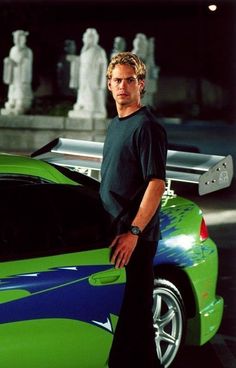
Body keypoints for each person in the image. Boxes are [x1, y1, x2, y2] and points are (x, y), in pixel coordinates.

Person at [99, 52, 167, 368]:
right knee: (125, 325)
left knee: (135, 324)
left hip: (135, 240)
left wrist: (134, 232)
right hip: (117, 235)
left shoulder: (146, 127)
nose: (122, 86)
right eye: (117, 80)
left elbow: (156, 183)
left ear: (141, 84)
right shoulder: (117, 125)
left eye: (129, 80)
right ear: (109, 85)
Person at [68, 28, 107, 119]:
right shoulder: (85, 50)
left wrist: (102, 81)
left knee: (93, 93)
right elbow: (81, 61)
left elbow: (103, 66)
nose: (84, 39)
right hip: (84, 77)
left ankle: (94, 108)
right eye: (84, 37)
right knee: (83, 91)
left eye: (86, 37)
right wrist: (75, 60)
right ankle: (83, 105)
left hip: (94, 77)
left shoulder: (99, 50)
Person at [2, 30, 33, 115]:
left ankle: (21, 101)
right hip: (14, 74)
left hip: (22, 74)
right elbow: (12, 60)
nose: (17, 40)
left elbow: (26, 62)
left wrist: (21, 62)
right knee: (12, 87)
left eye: (19, 38)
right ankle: (12, 101)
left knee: (21, 88)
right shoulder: (13, 50)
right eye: (15, 38)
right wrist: (8, 61)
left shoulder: (27, 51)